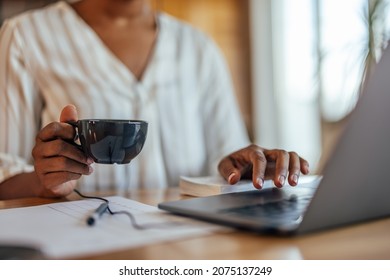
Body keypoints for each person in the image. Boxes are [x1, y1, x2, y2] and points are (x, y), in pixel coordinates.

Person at [0, 0, 309, 200]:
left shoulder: (198, 48)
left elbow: (225, 165)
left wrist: (247, 171)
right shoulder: (26, 37)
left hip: (190, 252)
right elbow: (4, 176)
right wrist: (45, 183)